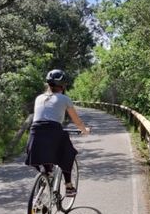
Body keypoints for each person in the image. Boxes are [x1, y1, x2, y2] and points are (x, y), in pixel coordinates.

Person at [9, 69, 90, 197]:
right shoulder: (64, 99)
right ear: (63, 85)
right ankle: (69, 186)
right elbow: (77, 121)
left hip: (35, 132)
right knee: (68, 154)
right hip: (53, 131)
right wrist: (84, 130)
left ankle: (47, 173)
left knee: (45, 154)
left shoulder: (39, 98)